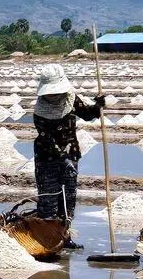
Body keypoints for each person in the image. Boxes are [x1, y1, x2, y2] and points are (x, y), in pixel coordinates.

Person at [32, 64, 104, 249]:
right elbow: (46, 139)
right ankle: (46, 239)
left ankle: (65, 237)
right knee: (49, 197)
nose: (54, 95)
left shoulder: (71, 99)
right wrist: (62, 159)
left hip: (71, 153)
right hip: (47, 157)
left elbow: (87, 115)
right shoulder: (40, 112)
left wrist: (98, 106)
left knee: (68, 197)